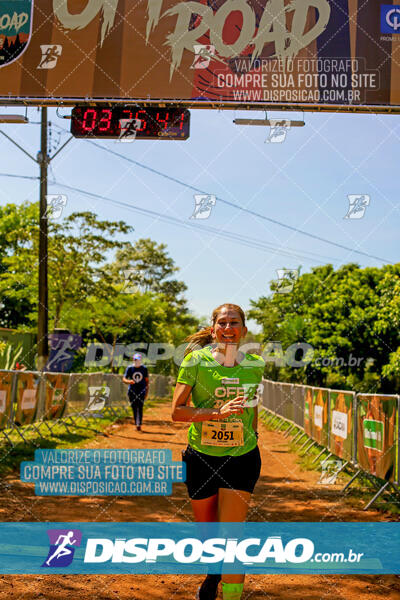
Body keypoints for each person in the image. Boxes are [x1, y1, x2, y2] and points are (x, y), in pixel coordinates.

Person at [172, 303, 264, 600]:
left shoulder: (254, 365)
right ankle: (214, 572)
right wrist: (215, 413)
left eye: (234, 322)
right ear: (213, 329)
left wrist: (254, 433)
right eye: (222, 323)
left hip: (241, 458)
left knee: (232, 537)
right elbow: (177, 412)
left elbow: (252, 407)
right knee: (209, 534)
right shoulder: (195, 362)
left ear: (243, 330)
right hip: (201, 457)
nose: (228, 328)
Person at [123, 353, 149, 431]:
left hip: (141, 391)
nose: (136, 361)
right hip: (132, 391)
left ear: (140, 360)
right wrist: (129, 381)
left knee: (140, 407)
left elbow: (147, 381)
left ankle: (139, 424)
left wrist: (147, 391)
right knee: (134, 407)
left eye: (138, 359)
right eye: (135, 359)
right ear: (133, 360)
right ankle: (136, 422)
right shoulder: (130, 368)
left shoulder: (144, 369)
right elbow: (124, 379)